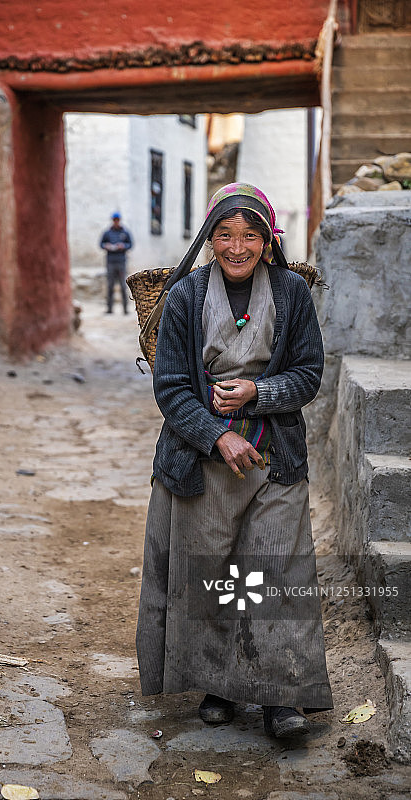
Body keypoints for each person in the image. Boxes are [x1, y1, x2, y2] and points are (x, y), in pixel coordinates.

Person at [136, 183, 333, 739]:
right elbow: (172, 388)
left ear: (268, 241)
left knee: (273, 570)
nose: (236, 246)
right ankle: (220, 684)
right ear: (209, 240)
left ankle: (281, 699)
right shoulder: (184, 297)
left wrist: (257, 393)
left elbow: (308, 374)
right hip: (204, 466)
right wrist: (218, 435)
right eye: (224, 235)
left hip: (275, 459)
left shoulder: (292, 293)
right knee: (216, 576)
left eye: (249, 235)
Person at [100, 212, 133, 314]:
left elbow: (130, 244)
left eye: (117, 219)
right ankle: (109, 309)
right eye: (114, 220)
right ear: (112, 220)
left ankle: (125, 309)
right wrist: (107, 246)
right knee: (110, 285)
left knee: (123, 286)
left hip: (121, 262)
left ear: (119, 220)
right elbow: (101, 244)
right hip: (110, 262)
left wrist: (123, 246)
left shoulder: (125, 232)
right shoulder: (107, 233)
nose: (116, 221)